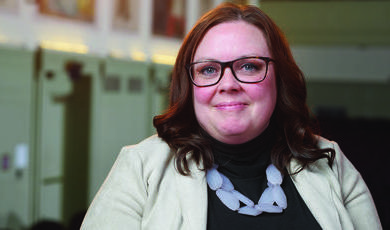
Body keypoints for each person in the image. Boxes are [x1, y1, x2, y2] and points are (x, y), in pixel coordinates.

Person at [81, 3, 382, 229]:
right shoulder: (140, 170)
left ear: (280, 78)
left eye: (249, 66)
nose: (228, 84)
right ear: (189, 84)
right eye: (209, 69)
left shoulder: (330, 161)